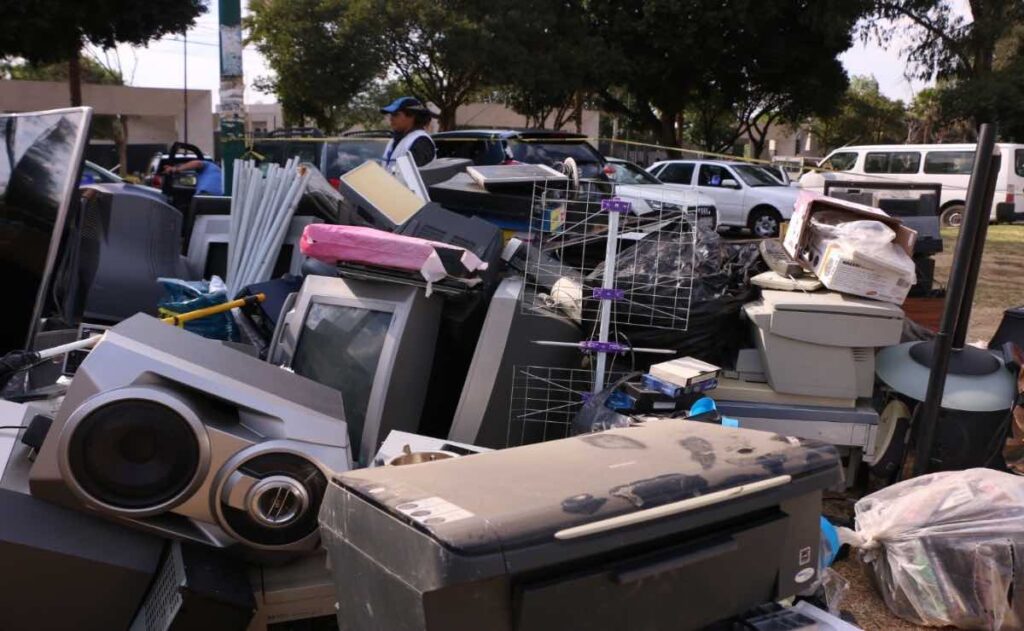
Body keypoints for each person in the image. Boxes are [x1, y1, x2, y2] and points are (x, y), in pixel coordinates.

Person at [379, 96, 436, 170]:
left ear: (412, 116)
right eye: (391, 115)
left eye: (396, 114)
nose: (391, 118)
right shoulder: (395, 140)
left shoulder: (421, 141)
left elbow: (416, 177)